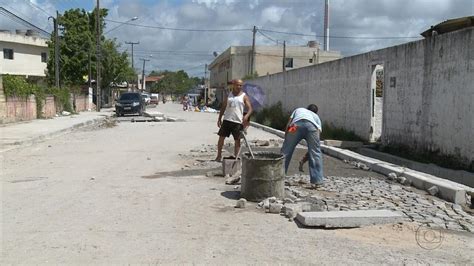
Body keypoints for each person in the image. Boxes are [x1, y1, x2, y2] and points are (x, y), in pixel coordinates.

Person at [281, 104, 323, 189]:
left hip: (295, 126)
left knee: (285, 151)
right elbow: (316, 144)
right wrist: (307, 156)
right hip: (312, 127)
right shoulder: (316, 117)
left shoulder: (299, 109)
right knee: (316, 153)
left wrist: (286, 138)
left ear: (307, 109)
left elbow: (289, 123)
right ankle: (317, 181)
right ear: (316, 112)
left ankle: (279, 177)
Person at [215, 79, 253, 162]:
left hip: (237, 121)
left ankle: (236, 157)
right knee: (221, 138)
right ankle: (218, 156)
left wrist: (246, 116)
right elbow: (223, 107)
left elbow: (250, 109)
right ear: (234, 85)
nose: (239, 87)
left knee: (237, 140)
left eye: (240, 85)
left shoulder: (244, 96)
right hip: (227, 120)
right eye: (237, 85)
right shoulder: (229, 95)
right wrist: (219, 118)